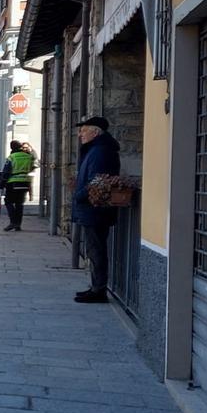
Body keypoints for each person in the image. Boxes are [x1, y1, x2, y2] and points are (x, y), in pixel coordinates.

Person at [71, 116, 120, 304]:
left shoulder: (100, 151)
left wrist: (79, 194)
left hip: (95, 209)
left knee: (97, 250)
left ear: (95, 132)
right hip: (92, 208)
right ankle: (95, 287)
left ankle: (99, 290)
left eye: (83, 130)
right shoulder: (96, 149)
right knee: (93, 250)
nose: (79, 134)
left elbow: (98, 180)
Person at [1, 140, 35, 231]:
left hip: (13, 182)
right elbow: (32, 167)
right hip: (25, 182)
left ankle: (13, 222)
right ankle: (18, 224)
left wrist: (2, 184)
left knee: (8, 201)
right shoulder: (28, 156)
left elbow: (6, 172)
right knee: (19, 204)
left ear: (12, 148)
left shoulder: (12, 157)